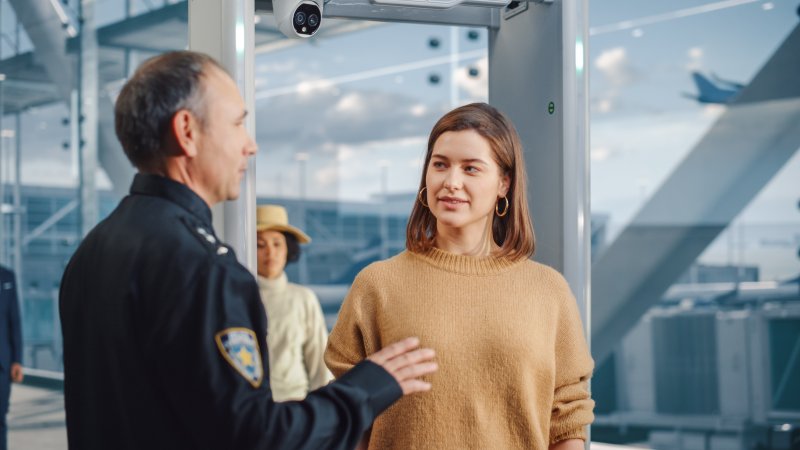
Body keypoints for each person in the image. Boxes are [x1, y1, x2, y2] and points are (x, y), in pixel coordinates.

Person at [59, 50, 437, 450]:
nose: (250, 146)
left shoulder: (95, 249)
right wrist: (368, 387)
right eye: (238, 124)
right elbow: (256, 436)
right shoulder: (202, 267)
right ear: (187, 131)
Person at [325, 103, 595, 450]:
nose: (451, 182)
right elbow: (350, 417)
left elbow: (568, 416)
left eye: (471, 168)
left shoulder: (548, 290)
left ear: (503, 183)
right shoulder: (378, 284)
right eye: (440, 165)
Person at [255, 204, 333, 401]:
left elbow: (319, 362)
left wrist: (323, 414)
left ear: (288, 249)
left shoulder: (303, 298)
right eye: (260, 245)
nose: (270, 253)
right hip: (249, 407)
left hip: (296, 406)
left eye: (276, 243)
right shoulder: (236, 296)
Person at [0, 265, 23, 450]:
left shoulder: (7, 276)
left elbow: (14, 320)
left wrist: (17, 360)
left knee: (0, 417)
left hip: (2, 364)